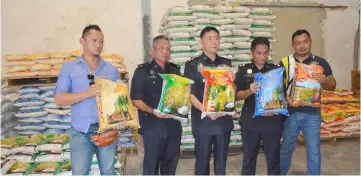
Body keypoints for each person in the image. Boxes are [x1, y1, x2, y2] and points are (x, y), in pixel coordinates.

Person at [54, 24, 126, 175]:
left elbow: (117, 102)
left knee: (108, 171)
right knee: (80, 173)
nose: (98, 45)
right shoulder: (69, 68)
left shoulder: (111, 71)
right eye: (94, 40)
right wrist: (87, 93)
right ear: (82, 41)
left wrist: (120, 119)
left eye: (101, 41)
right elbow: (59, 99)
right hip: (80, 132)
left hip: (106, 130)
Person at [279, 29, 336, 175]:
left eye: (305, 42)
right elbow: (278, 88)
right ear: (293, 45)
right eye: (298, 43)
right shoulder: (285, 63)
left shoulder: (321, 62)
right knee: (286, 148)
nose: (302, 46)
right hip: (291, 113)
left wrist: (323, 79)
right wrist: (286, 98)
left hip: (312, 114)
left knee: (314, 151)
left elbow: (332, 85)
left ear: (310, 42)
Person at [184, 26, 234, 175]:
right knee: (202, 162)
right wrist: (205, 109)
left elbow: (231, 92)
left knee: (221, 163)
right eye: (209, 38)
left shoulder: (226, 64)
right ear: (201, 43)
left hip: (223, 120)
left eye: (217, 38)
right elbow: (189, 94)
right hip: (203, 121)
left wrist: (233, 81)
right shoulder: (192, 66)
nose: (214, 42)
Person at [130, 35, 182, 175]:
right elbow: (135, 99)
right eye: (161, 48)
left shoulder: (175, 71)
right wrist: (152, 111)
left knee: (170, 167)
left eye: (168, 49)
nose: (165, 51)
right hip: (153, 128)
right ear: (152, 51)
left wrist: (186, 92)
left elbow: (180, 98)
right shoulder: (142, 71)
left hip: (173, 128)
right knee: (151, 167)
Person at [234, 37, 285, 175]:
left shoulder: (277, 70)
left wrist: (276, 109)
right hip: (251, 122)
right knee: (249, 159)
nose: (262, 56)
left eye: (265, 53)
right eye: (258, 53)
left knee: (273, 159)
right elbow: (236, 96)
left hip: (272, 121)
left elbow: (282, 96)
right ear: (251, 52)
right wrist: (249, 91)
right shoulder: (244, 71)